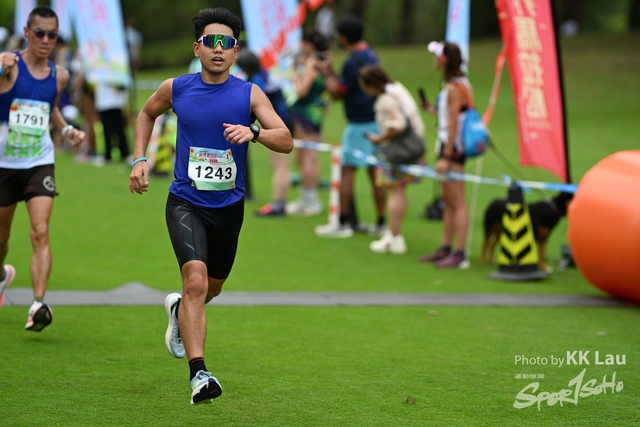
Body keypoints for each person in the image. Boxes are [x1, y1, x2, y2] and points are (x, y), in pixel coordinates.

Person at [128, 7, 293, 405]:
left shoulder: (249, 93)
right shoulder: (176, 88)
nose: (218, 49)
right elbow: (146, 113)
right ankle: (199, 374)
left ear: (235, 51)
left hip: (228, 207)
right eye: (210, 42)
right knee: (195, 282)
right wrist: (139, 158)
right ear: (197, 48)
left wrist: (253, 132)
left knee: (210, 289)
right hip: (185, 201)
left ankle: (179, 312)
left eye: (226, 43)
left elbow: (286, 139)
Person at [0, 6, 85, 330]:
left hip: (39, 162)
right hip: (4, 163)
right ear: (27, 32)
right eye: (40, 33)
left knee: (40, 230)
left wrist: (67, 130)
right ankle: (2, 275)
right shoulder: (9, 66)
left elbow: (49, 110)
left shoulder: (58, 75)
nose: (47, 40)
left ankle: (37, 304)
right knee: (2, 236)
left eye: (52, 34)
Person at [315, 14, 386, 238]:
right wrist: (332, 71)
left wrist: (324, 73)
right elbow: (350, 83)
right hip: (377, 120)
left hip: (358, 124)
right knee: (375, 172)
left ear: (344, 37)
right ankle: (382, 223)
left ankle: (343, 222)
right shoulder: (369, 54)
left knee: (347, 170)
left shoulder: (351, 61)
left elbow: (338, 92)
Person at [257, 29, 328, 217]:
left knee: (309, 157)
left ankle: (311, 200)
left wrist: (295, 78)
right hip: (304, 113)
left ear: (309, 44)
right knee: (302, 157)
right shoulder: (316, 60)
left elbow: (302, 90)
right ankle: (305, 198)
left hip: (308, 114)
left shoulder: (312, 63)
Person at [358, 64, 426, 254]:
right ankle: (393, 233)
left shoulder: (386, 100)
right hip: (413, 146)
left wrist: (380, 139)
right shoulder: (397, 88)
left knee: (395, 190)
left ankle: (395, 237)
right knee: (398, 190)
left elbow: (398, 125)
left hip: (398, 150)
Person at [419, 41, 471, 269]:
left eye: (437, 56)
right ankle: (446, 247)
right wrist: (433, 110)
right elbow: (451, 116)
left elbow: (454, 124)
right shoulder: (456, 84)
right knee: (448, 200)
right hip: (450, 146)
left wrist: (447, 156)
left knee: (457, 201)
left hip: (453, 149)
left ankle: (460, 252)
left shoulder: (454, 87)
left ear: (444, 60)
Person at [236, 48, 293, 217]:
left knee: (280, 166)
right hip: (285, 117)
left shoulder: (255, 83)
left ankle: (278, 204)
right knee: (280, 165)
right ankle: (279, 203)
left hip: (276, 124)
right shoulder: (268, 74)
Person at [94, 82, 131, 164]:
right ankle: (108, 154)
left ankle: (125, 153)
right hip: (104, 102)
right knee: (108, 130)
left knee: (119, 129)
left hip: (116, 102)